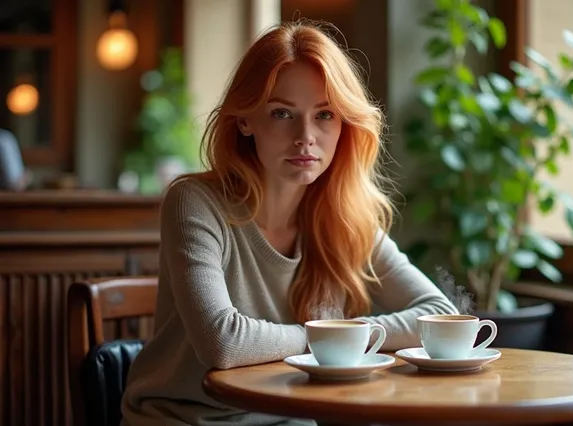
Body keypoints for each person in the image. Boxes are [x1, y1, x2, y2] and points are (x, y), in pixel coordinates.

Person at [121, 20, 458, 426]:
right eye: (282, 113)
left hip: (291, 419)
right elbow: (222, 342)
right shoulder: (194, 202)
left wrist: (345, 334)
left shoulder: (347, 217)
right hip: (185, 420)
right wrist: (336, 337)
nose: (306, 136)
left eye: (325, 115)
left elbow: (439, 312)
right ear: (245, 120)